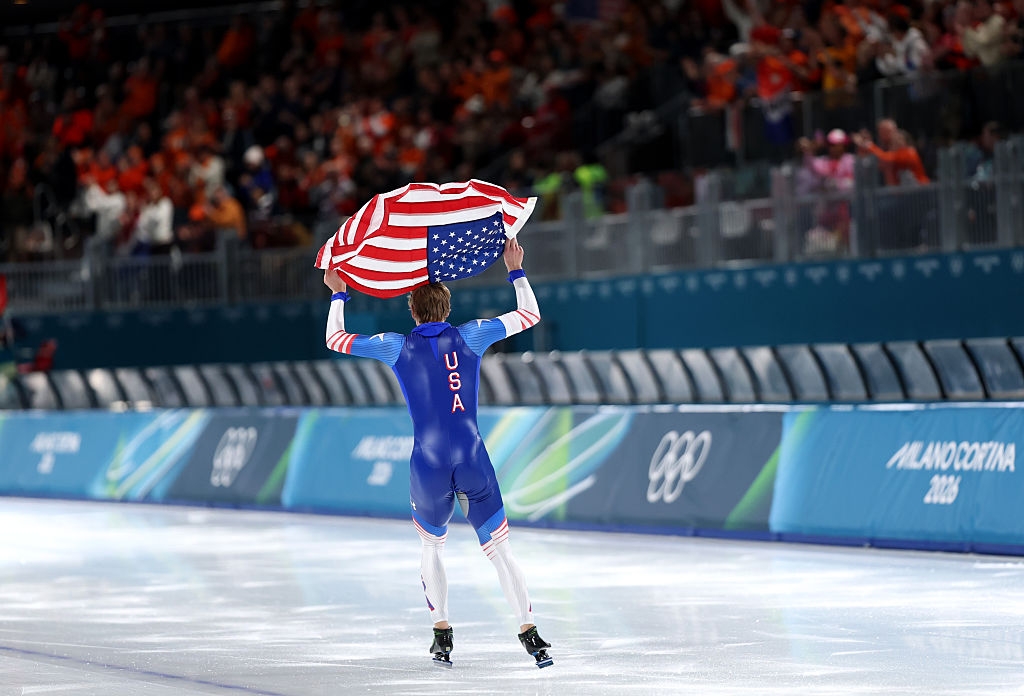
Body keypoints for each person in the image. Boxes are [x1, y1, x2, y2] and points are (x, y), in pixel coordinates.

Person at [321, 237, 553, 669]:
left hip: (427, 464)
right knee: (500, 552)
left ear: (413, 311)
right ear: (446, 309)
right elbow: (530, 314)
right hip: (473, 458)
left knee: (432, 548)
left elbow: (335, 338)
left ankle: (441, 632)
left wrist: (338, 292)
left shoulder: (395, 345)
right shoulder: (472, 335)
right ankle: (530, 632)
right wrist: (515, 268)